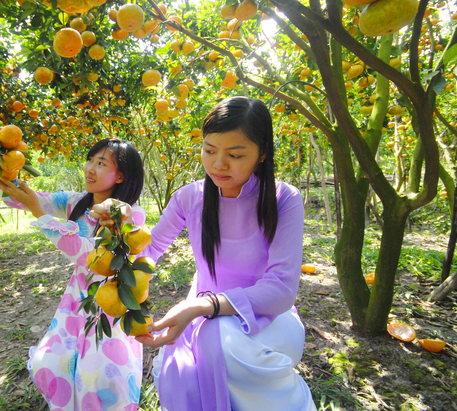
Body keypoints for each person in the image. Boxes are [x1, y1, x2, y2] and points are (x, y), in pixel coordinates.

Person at [96, 97, 315, 410]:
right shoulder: (190, 197)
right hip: (203, 313)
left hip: (270, 320)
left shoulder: (282, 199)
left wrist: (203, 306)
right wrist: (120, 223)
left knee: (223, 341)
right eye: (209, 150)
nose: (218, 164)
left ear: (262, 153)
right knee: (183, 367)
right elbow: (152, 247)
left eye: (235, 154)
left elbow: (280, 289)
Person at [0, 138, 146, 411]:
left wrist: (40, 214)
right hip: (77, 298)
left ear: (121, 175)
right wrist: (0, 155)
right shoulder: (74, 202)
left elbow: (92, 258)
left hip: (111, 300)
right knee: (51, 363)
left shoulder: (131, 215)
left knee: (100, 376)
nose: (90, 168)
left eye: (101, 163)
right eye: (90, 160)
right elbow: (13, 196)